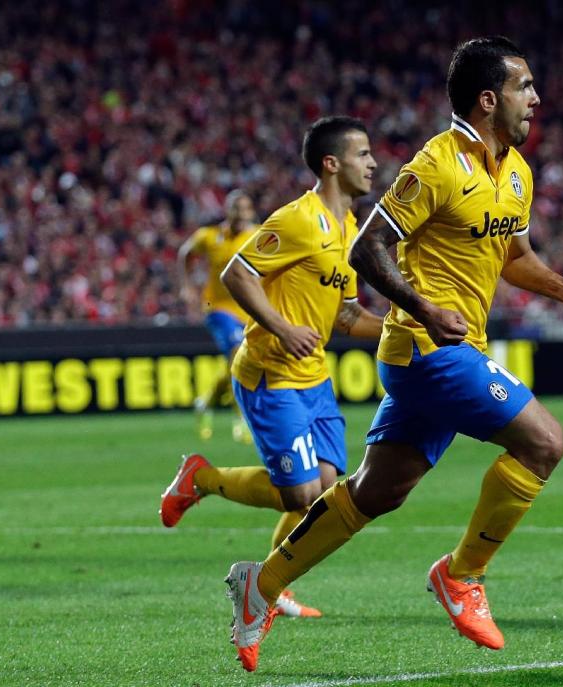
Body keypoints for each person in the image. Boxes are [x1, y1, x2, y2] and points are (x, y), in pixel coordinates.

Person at [221, 36, 563, 672]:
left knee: (376, 491)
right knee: (543, 443)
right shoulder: (437, 164)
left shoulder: (515, 172)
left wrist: (559, 286)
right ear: (488, 99)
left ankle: (258, 587)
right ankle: (462, 576)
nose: (536, 98)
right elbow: (368, 248)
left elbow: (514, 256)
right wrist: (425, 308)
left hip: (446, 349)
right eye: (524, 87)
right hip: (428, 348)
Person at [160, 116, 383, 620]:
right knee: (298, 492)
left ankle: (270, 582)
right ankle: (201, 478)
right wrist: (283, 328)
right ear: (332, 163)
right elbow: (237, 274)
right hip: (270, 373)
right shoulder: (297, 219)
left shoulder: (349, 228)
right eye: (362, 154)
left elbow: (348, 315)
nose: (372, 163)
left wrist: (406, 324)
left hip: (314, 379)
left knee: (324, 494)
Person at [177, 189, 257, 442]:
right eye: (236, 209)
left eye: (245, 209)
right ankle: (241, 419)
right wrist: (187, 286)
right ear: (227, 211)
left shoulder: (259, 235)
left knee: (238, 363)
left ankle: (205, 402)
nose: (241, 214)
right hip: (218, 308)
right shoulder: (209, 237)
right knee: (237, 355)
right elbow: (186, 254)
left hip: (249, 310)